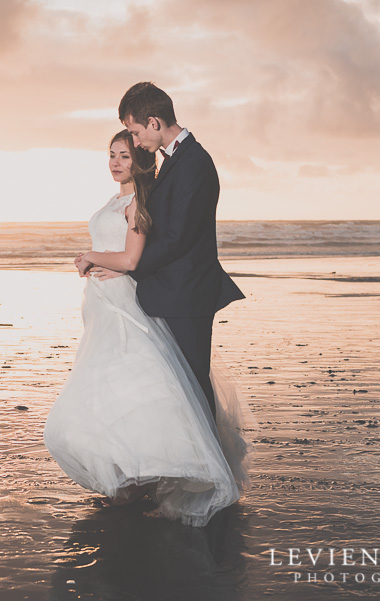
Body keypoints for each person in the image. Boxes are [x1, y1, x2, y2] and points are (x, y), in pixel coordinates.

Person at [43, 129, 253, 527]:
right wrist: (95, 261)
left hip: (124, 301)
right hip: (103, 305)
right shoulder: (116, 197)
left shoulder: (140, 200)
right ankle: (128, 481)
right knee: (109, 385)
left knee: (142, 383)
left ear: (140, 160)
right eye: (111, 155)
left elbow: (132, 257)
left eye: (124, 155)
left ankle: (165, 476)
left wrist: (91, 255)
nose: (115, 162)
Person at [89, 82, 245, 418]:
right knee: (178, 384)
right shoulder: (177, 160)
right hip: (173, 291)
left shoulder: (194, 163)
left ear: (154, 123)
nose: (135, 140)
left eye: (135, 131)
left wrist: (129, 266)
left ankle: (211, 464)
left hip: (188, 293)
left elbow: (178, 237)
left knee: (192, 382)